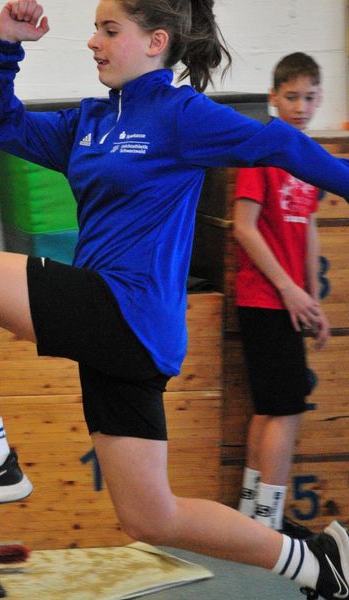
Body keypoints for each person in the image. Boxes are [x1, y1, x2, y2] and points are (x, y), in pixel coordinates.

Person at [0, 1, 349, 598]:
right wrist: (5, 46)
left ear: (156, 42)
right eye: (95, 30)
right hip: (119, 329)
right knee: (149, 517)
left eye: (110, 31)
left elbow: (282, 145)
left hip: (129, 311)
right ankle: (317, 564)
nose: (94, 42)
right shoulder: (87, 122)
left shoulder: (181, 114)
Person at [234, 52, 329, 538]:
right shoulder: (262, 150)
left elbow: (307, 228)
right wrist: (289, 290)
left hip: (290, 302)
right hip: (265, 299)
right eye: (291, 97)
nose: (300, 107)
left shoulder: (306, 155)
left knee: (271, 408)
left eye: (309, 98)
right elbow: (244, 227)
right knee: (285, 410)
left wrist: (313, 300)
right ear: (273, 97)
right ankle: (267, 524)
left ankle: (252, 514)